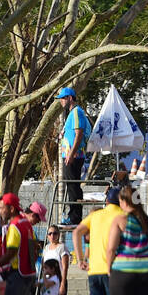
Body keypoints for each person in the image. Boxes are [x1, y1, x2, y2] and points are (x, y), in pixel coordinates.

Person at [70, 186, 124, 295]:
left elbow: (76, 232)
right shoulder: (122, 216)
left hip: (94, 271)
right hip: (113, 270)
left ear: (106, 201)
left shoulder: (96, 215)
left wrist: (79, 259)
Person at [56, 86, 92, 226]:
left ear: (69, 98)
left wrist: (71, 154)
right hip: (70, 155)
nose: (61, 102)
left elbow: (79, 133)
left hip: (74, 156)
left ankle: (75, 217)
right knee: (71, 185)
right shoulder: (71, 114)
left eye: (62, 99)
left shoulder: (77, 112)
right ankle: (73, 215)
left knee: (73, 186)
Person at [40, 223, 69, 295]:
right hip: (49, 282)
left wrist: (62, 284)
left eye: (55, 233)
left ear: (59, 234)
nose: (52, 236)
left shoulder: (62, 247)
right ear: (47, 235)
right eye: (50, 233)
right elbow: (43, 265)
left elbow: (65, 267)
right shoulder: (46, 248)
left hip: (59, 281)